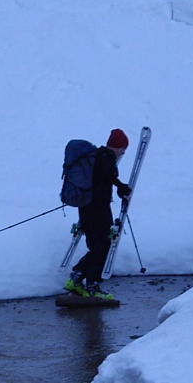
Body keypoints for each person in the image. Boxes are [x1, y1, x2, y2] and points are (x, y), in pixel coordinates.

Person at [65, 128, 133, 302]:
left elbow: (101, 179)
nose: (122, 153)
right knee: (104, 246)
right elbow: (107, 176)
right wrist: (121, 187)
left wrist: (117, 186)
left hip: (86, 208)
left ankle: (76, 279)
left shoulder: (96, 156)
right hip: (98, 209)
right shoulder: (107, 157)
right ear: (118, 147)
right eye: (123, 149)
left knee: (96, 247)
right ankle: (92, 286)